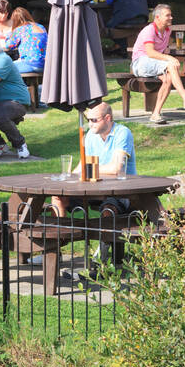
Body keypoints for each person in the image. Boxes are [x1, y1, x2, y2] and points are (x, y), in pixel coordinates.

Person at [51, 102, 137, 272]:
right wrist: (68, 178)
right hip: (93, 189)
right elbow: (83, 165)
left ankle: (99, 260)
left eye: (94, 120)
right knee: (58, 198)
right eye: (88, 120)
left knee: (109, 209)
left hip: (120, 191)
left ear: (108, 118)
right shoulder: (91, 135)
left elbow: (117, 168)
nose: (90, 124)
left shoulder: (122, 133)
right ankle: (54, 250)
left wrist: (87, 169)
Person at [130, 4, 185, 125]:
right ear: (157, 17)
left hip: (153, 64)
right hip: (140, 63)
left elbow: (163, 49)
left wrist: (170, 55)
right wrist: (169, 58)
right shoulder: (149, 30)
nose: (171, 17)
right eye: (167, 15)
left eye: (171, 15)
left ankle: (155, 114)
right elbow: (150, 52)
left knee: (168, 78)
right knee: (170, 64)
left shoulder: (167, 31)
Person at [5, 7, 48, 81]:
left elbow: (9, 45)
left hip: (30, 64)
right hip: (45, 65)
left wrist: (9, 34)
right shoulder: (41, 27)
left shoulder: (19, 29)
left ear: (14, 20)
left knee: (3, 69)